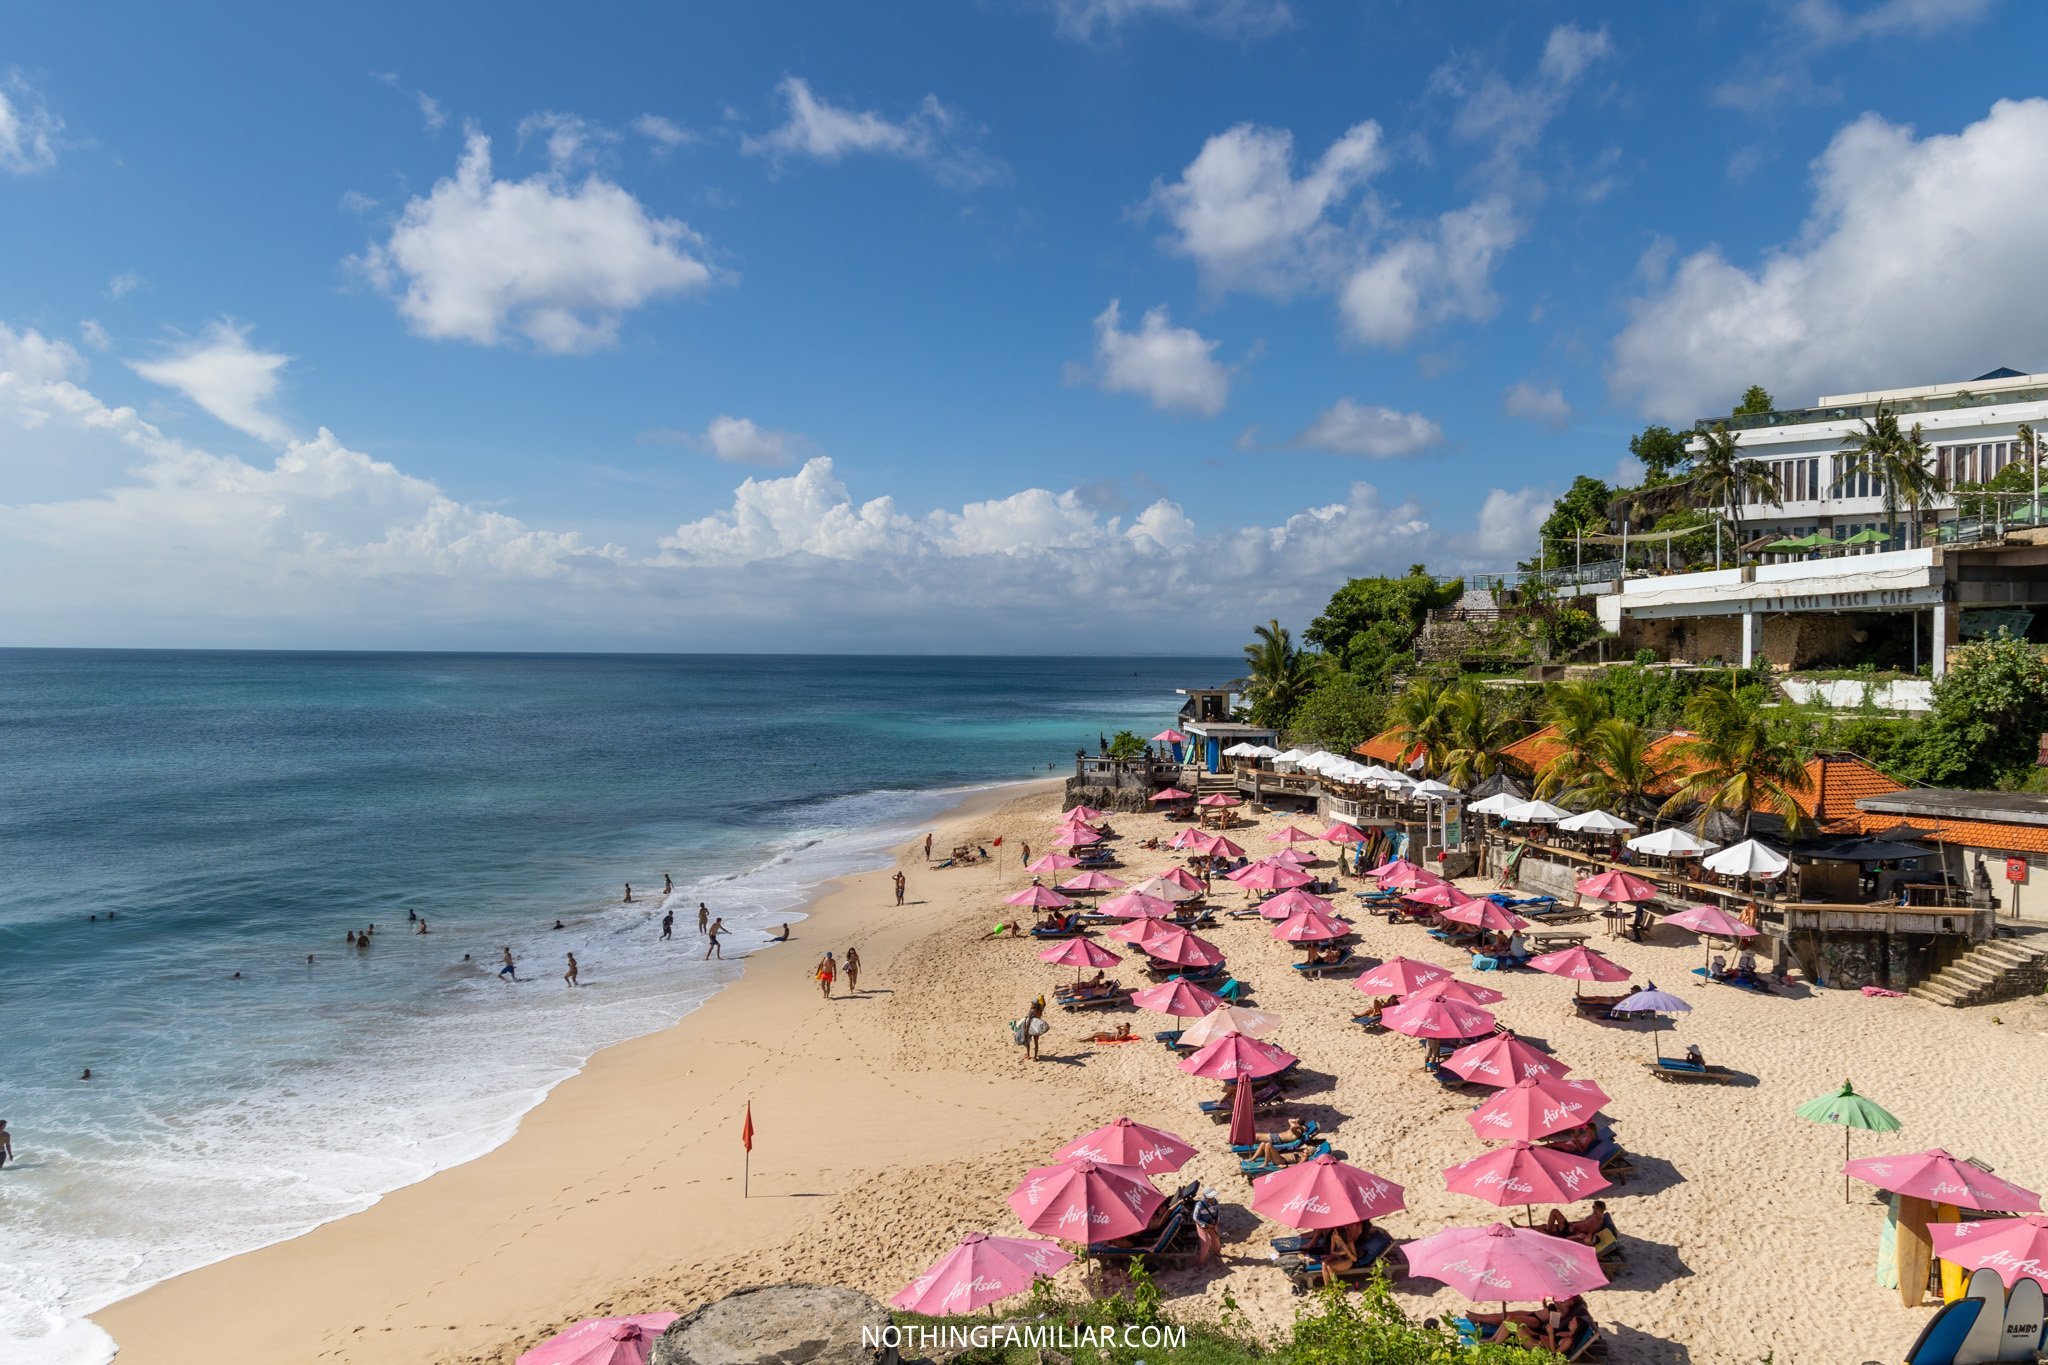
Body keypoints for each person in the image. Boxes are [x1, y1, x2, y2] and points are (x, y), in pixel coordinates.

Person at [1544, 1200, 1610, 1245]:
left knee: (1554, 1211)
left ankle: (1547, 1232)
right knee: (1554, 1213)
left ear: (1598, 1208)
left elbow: (1589, 1234)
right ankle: (1548, 1231)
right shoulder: (1595, 1215)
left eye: (1593, 1206)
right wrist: (1574, 1225)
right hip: (1572, 1228)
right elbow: (1584, 1223)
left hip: (1570, 1232)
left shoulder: (1597, 1222)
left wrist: (1576, 1234)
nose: (1592, 1208)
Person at [1320, 1221, 1359, 1288]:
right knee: (1324, 1264)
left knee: (1330, 1267)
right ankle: (1327, 1287)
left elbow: (1354, 1259)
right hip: (1338, 1257)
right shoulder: (1333, 1237)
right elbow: (1332, 1252)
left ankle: (1335, 1287)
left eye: (1335, 1232)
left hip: (1348, 1260)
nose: (1333, 1233)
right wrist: (1339, 1253)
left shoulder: (1349, 1241)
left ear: (1340, 1235)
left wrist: (1346, 1250)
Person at [1193, 1188, 1222, 1265]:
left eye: (1212, 1197)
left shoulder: (1215, 1202)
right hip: (1202, 1225)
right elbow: (1195, 1218)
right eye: (1210, 1197)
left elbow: (1217, 1213)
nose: (1212, 1199)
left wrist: (1215, 1222)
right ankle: (1200, 1262)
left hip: (1212, 1224)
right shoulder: (1199, 1205)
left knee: (1216, 1240)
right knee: (1206, 1244)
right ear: (1205, 1197)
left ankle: (1217, 1252)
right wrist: (1205, 1225)